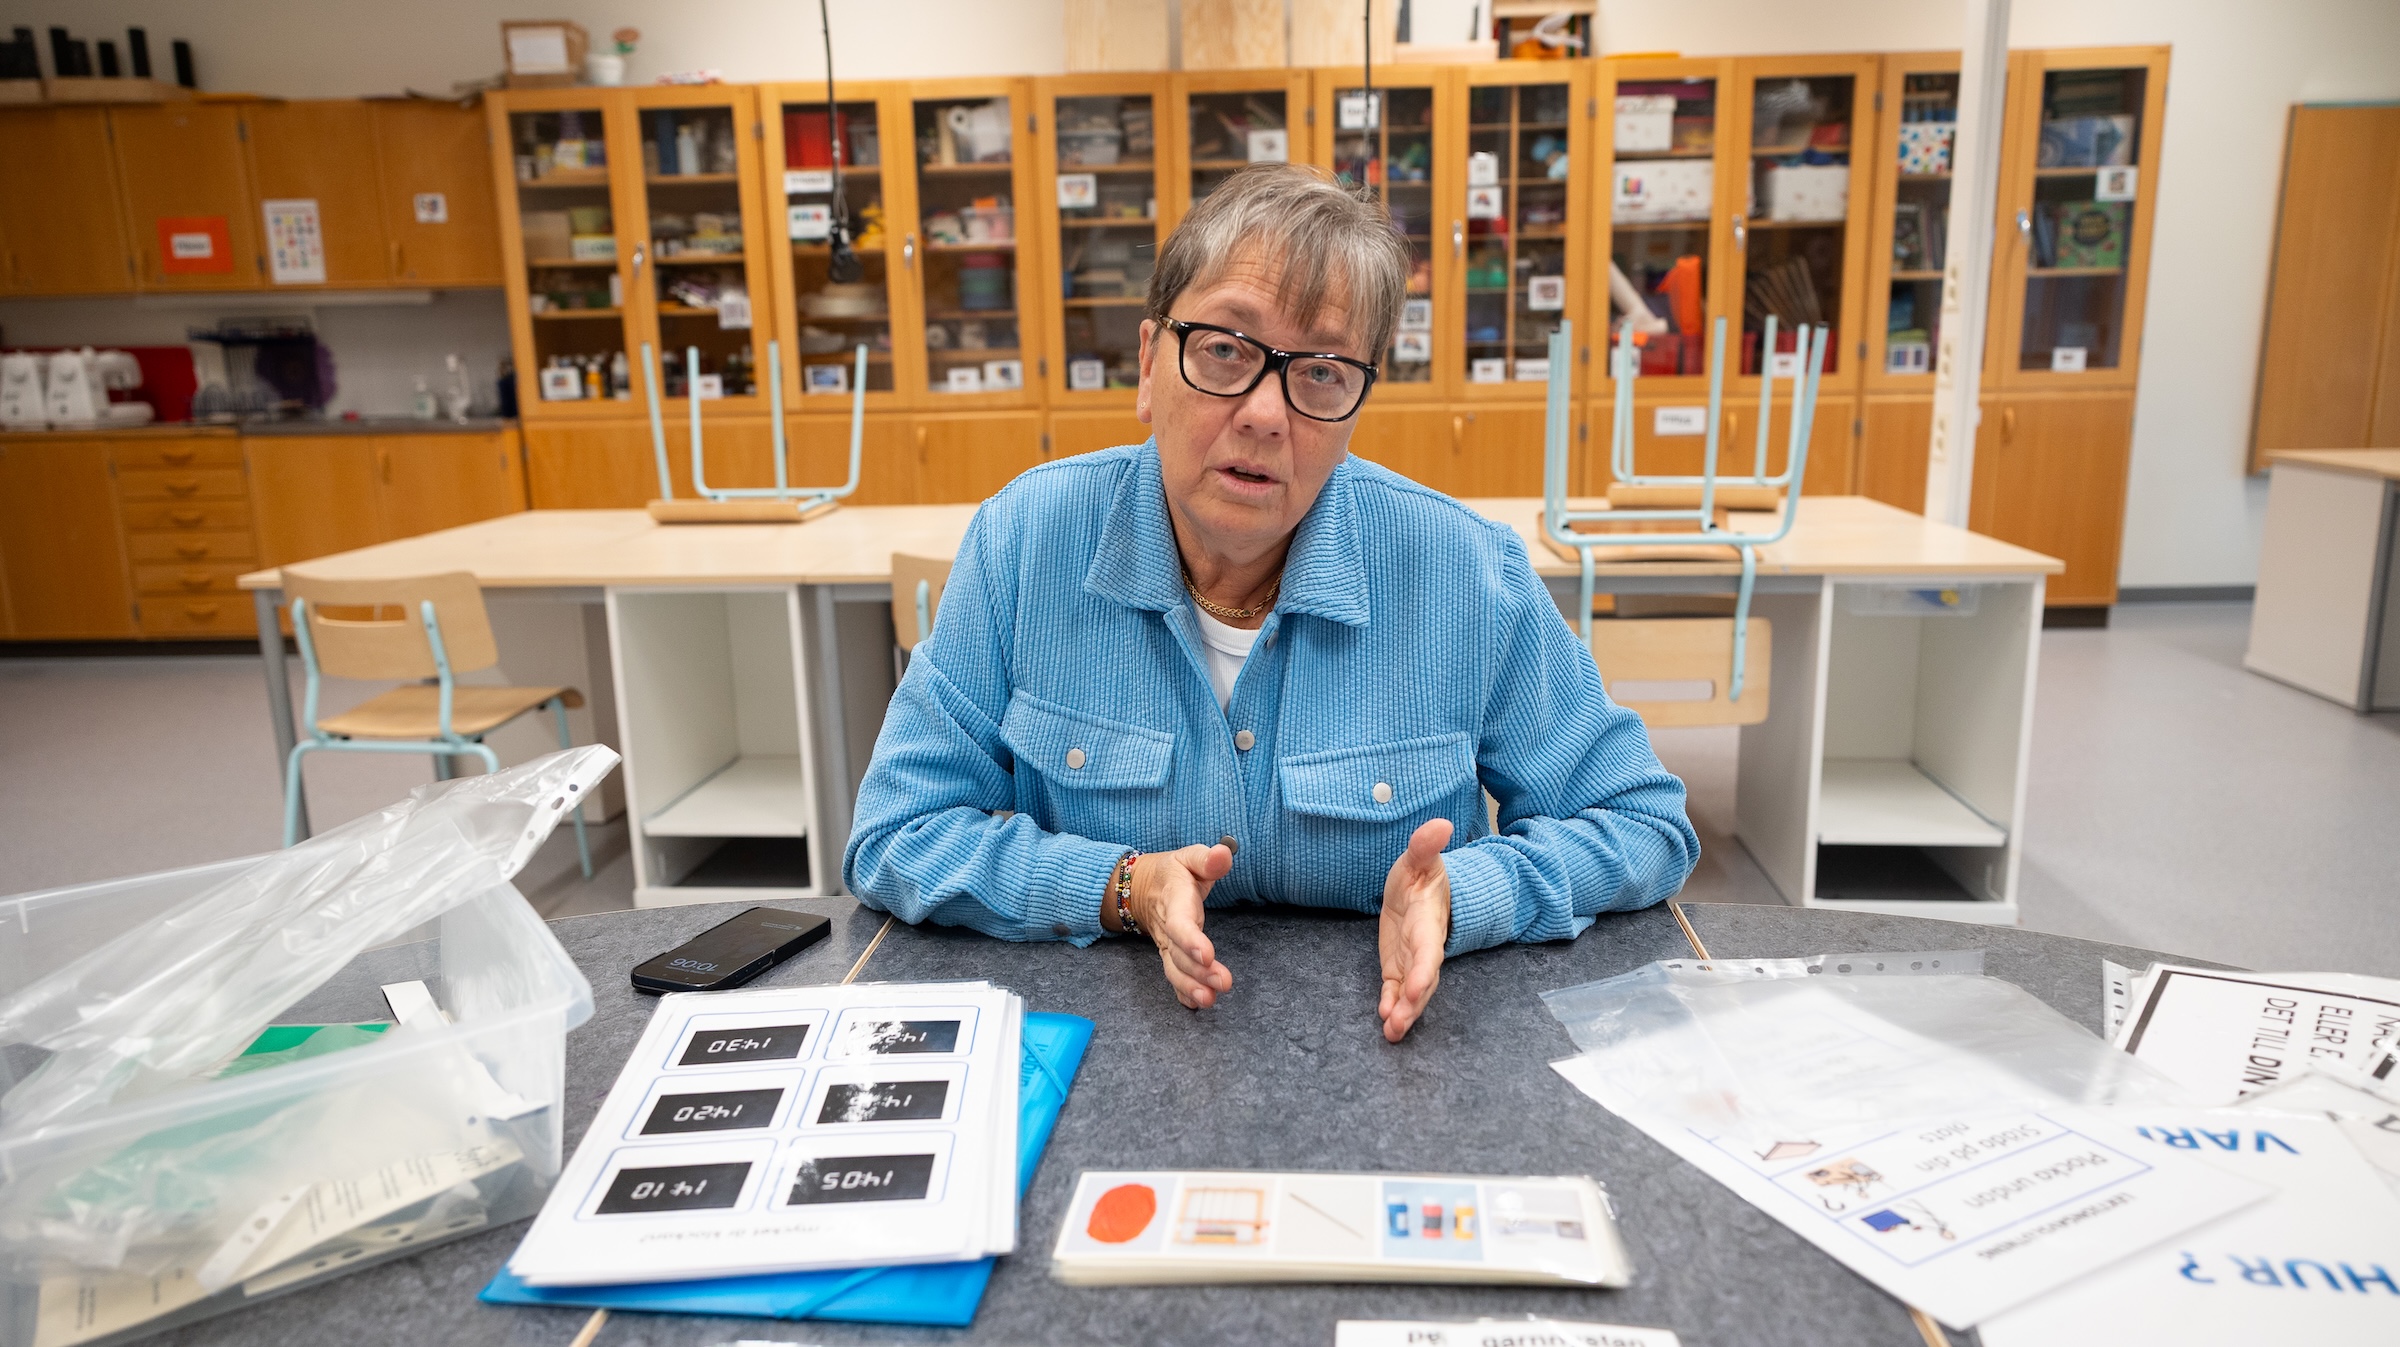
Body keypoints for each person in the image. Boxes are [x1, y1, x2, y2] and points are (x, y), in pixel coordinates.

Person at [844, 163, 1697, 1042]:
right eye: (1224, 348)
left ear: (1357, 402)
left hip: (1397, 1044)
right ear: (1149, 363)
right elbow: (898, 834)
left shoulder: (1464, 571)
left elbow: (1642, 823)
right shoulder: (1023, 542)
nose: (1263, 412)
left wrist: (1469, 891)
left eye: (1321, 371)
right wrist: (1119, 885)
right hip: (1094, 1043)